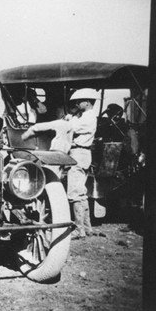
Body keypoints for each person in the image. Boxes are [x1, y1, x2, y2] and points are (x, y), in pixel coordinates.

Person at [66, 88, 100, 240]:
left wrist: (69, 118)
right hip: (83, 153)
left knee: (74, 192)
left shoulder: (86, 118)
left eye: (79, 102)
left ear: (87, 102)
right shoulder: (88, 116)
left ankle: (78, 229)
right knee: (81, 192)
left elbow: (71, 128)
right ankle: (87, 228)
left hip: (79, 152)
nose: (77, 104)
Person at [20, 106, 73, 177]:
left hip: (56, 155)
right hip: (64, 156)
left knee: (48, 175)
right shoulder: (72, 123)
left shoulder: (61, 123)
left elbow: (39, 127)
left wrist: (27, 134)